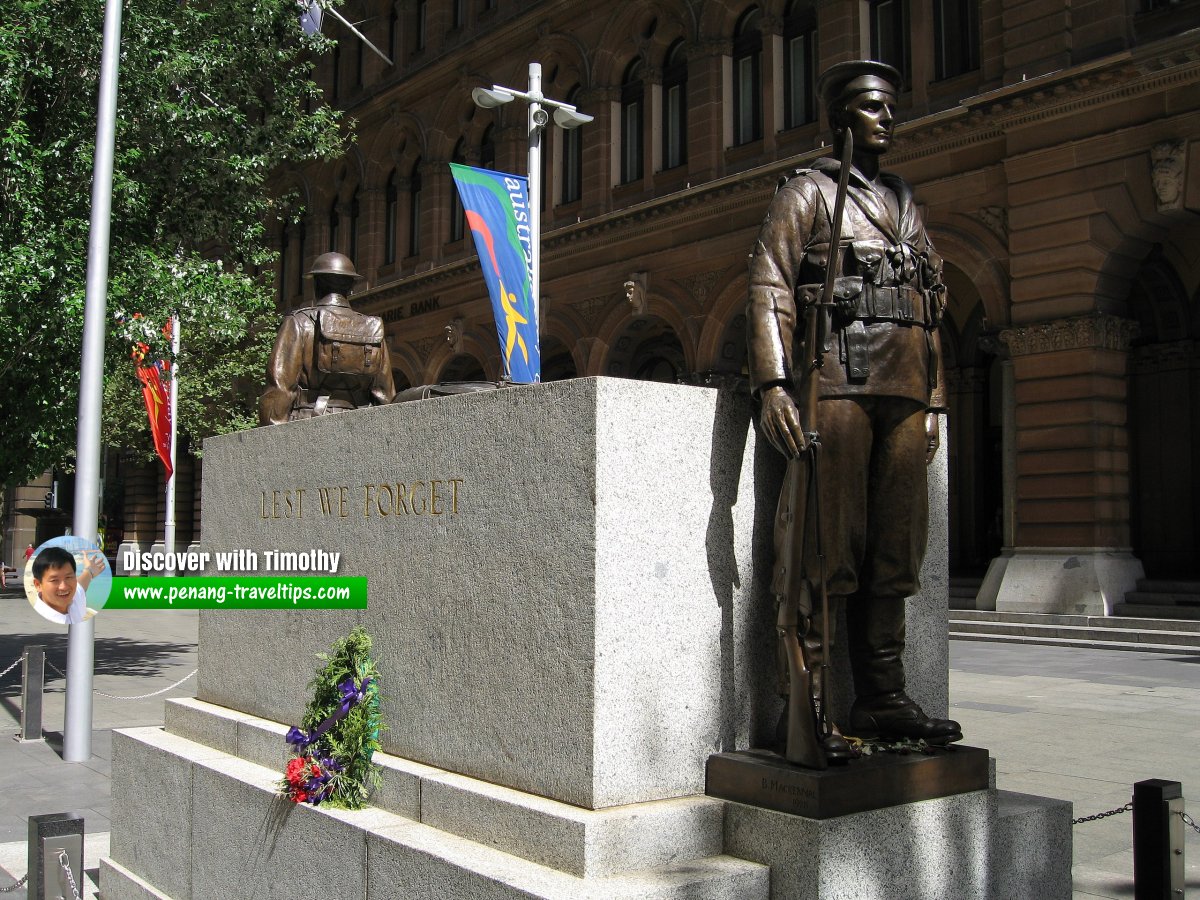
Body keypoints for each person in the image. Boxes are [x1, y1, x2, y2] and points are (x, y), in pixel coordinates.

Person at [746, 60, 961, 760]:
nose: (888, 118)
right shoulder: (807, 193)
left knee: (896, 551)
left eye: (889, 106)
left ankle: (882, 694)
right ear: (840, 119)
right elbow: (771, 283)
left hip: (903, 387)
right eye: (872, 107)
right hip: (836, 382)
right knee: (825, 546)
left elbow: (932, 299)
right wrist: (773, 383)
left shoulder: (904, 200)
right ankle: (807, 702)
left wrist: (934, 399)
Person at [260, 252, 396, 425]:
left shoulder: (299, 323)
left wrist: (271, 440)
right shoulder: (372, 329)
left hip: (307, 424)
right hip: (360, 426)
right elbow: (385, 394)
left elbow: (279, 388)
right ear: (350, 286)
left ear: (317, 283)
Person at [31, 545, 105, 625]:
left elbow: (81, 584)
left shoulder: (74, 597)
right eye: (54, 580)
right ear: (38, 585)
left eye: (68, 577)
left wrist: (89, 570)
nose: (64, 587)